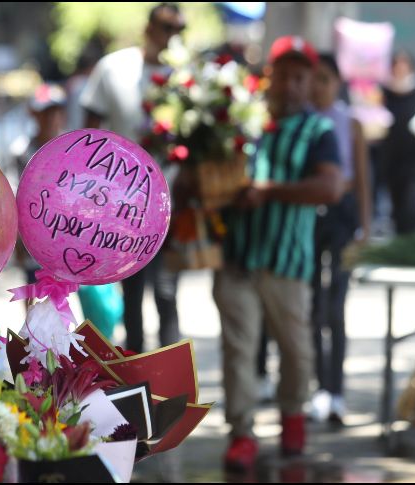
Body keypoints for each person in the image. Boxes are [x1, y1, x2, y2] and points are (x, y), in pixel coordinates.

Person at [214, 36, 343, 472]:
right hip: (236, 260)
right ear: (269, 76)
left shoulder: (318, 131)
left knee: (297, 351)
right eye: (283, 74)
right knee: (239, 350)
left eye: (299, 77)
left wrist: (268, 192)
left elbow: (330, 187)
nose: (290, 84)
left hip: (288, 264)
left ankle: (293, 422)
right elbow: (207, 174)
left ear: (309, 83)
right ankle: (242, 434)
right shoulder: (239, 123)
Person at [80, 3, 185, 353]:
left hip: (176, 195)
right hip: (125, 202)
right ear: (149, 27)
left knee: (168, 289)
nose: (169, 35)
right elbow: (88, 130)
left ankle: (171, 374)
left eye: (177, 28)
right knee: (133, 286)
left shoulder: (186, 75)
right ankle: (135, 364)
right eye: (164, 26)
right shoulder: (115, 68)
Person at [308, 53, 371, 425]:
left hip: (343, 213)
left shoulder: (351, 123)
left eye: (325, 79)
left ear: (337, 82)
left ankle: (338, 392)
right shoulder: (305, 121)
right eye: (313, 78)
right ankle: (320, 388)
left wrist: (364, 225)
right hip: (310, 213)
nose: (318, 86)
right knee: (314, 305)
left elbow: (362, 177)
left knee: (337, 306)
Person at [12, 83, 67, 288]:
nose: (51, 119)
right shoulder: (22, 151)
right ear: (34, 115)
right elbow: (16, 196)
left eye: (56, 112)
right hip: (34, 239)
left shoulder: (72, 149)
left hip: (67, 240)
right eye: (45, 113)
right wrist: (18, 239)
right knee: (34, 295)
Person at [380, 51, 415, 235]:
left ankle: (411, 240)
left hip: (414, 161)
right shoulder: (384, 94)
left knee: (411, 204)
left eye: (404, 64)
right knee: (397, 204)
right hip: (391, 160)